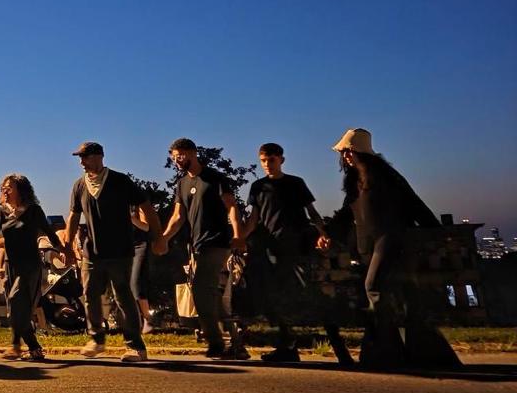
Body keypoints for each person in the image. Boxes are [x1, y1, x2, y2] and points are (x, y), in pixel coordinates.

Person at [328, 128, 451, 369]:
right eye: (344, 153)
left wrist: (437, 232)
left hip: (391, 238)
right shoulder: (353, 181)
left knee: (373, 287)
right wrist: (327, 235)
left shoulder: (386, 177)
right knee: (390, 295)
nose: (346, 157)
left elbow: (414, 203)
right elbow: (346, 212)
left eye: (349, 152)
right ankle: (393, 349)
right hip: (367, 243)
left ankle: (385, 347)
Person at [245, 143, 351, 365]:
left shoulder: (295, 183)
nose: (267, 164)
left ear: (281, 160)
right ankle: (287, 347)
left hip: (298, 247)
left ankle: (339, 347)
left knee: (311, 294)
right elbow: (254, 219)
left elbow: (311, 212)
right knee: (278, 298)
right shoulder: (258, 187)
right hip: (273, 249)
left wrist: (323, 233)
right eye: (263, 160)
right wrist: (239, 238)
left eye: (271, 160)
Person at [65, 141, 164, 362]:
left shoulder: (120, 181)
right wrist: (68, 245)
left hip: (120, 250)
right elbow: (73, 216)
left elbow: (147, 207)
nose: (81, 162)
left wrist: (158, 237)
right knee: (89, 293)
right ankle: (96, 339)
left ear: (99, 156)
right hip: (92, 251)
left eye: (85, 157)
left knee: (123, 297)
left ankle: (135, 346)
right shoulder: (79, 185)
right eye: (79, 158)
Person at [161, 138, 249, 359]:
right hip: (197, 246)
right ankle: (234, 341)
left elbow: (231, 207)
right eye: (174, 157)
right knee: (210, 294)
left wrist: (238, 235)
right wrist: (162, 238)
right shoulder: (181, 184)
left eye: (180, 155)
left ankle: (216, 342)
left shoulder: (215, 178)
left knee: (201, 290)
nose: (177, 160)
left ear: (192, 153)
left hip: (218, 242)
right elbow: (178, 217)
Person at [0, 175, 69, 360]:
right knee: (16, 308)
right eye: (3, 188)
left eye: (10, 187)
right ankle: (33, 347)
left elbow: (49, 232)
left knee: (16, 299)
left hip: (30, 264)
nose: (5, 191)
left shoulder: (33, 211)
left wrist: (62, 250)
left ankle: (16, 345)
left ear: (21, 190)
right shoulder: (2, 212)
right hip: (10, 264)